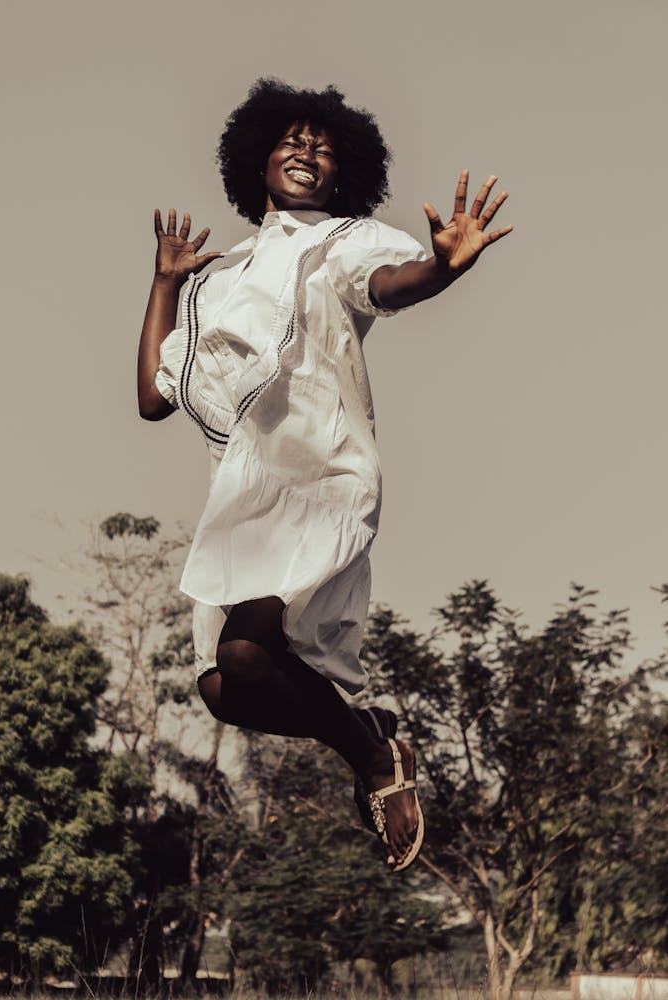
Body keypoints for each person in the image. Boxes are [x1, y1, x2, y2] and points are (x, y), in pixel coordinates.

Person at [136, 79, 512, 872]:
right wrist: (166, 283)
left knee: (243, 658)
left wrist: (441, 271)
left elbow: (387, 285)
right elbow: (152, 398)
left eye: (324, 146)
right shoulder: (217, 279)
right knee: (224, 690)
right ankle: (367, 741)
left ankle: (375, 758)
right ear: (257, 157)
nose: (306, 152)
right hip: (243, 494)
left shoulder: (345, 241)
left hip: (318, 477)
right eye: (291, 140)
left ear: (344, 174)